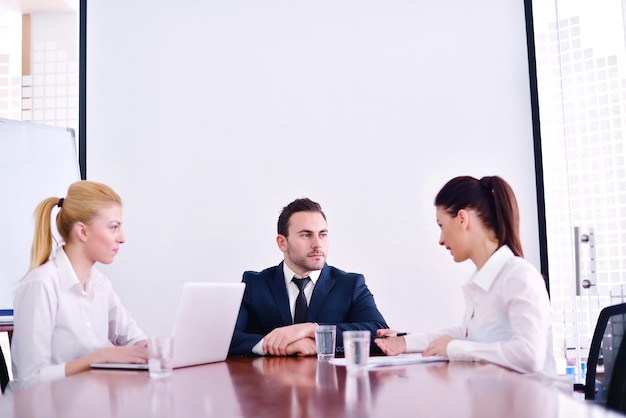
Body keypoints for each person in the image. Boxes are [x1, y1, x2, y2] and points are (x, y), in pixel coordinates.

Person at [376, 175, 556, 375]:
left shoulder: (519, 276)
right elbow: (465, 335)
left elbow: (529, 356)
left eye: (441, 225)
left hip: (530, 402)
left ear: (462, 219)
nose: (441, 240)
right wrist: (405, 341)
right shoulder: (484, 280)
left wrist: (454, 348)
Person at [11, 180, 147, 389]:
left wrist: (148, 349)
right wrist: (99, 357)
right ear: (83, 232)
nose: (122, 238)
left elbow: (134, 339)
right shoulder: (41, 286)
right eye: (114, 227)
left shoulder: (100, 284)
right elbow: (28, 382)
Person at [229, 197, 388, 357]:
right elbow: (226, 338)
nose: (318, 244)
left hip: (330, 380)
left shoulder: (350, 285)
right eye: (306, 235)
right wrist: (283, 346)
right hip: (270, 380)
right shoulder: (255, 284)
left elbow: (380, 332)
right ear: (282, 242)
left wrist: (311, 329)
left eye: (322, 234)